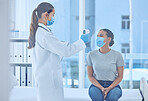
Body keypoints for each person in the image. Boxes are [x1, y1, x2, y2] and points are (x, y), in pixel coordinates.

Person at [28, 2, 89, 101]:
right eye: (53, 15)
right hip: (48, 81)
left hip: (45, 78)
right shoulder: (44, 35)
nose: (53, 18)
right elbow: (66, 51)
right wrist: (81, 42)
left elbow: (56, 51)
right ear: (46, 15)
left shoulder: (41, 32)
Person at [87, 29, 124, 101]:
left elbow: (120, 76)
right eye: (97, 36)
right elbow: (90, 76)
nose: (98, 38)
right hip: (96, 85)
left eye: (101, 36)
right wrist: (101, 88)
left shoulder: (117, 55)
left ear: (108, 39)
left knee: (112, 98)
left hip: (113, 85)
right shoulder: (91, 55)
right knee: (97, 98)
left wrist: (109, 88)